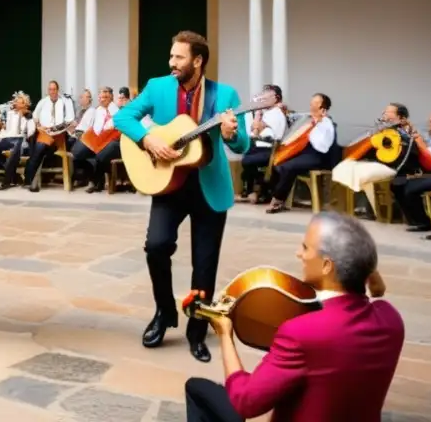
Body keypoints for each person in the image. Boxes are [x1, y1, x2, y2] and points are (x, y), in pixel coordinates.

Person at [184, 212, 404, 422]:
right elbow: (377, 294)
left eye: (306, 248)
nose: (299, 254)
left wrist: (225, 334)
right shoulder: (392, 321)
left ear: (327, 265)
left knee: (197, 389)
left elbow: (246, 401)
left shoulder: (300, 332)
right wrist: (368, 270)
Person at [115, 31, 249, 363]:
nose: (171, 62)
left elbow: (242, 144)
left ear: (198, 61)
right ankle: (164, 312)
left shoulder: (225, 95)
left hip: (208, 187)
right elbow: (122, 117)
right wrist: (148, 140)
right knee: (156, 246)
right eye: (171, 56)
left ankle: (197, 332)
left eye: (178, 57)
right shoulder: (157, 86)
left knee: (204, 264)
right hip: (168, 184)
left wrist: (231, 134)